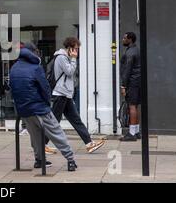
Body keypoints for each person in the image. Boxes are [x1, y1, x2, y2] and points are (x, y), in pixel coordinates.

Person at [10, 42, 77, 171]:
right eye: (36, 51)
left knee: (35, 136)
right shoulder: (36, 67)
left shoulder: (14, 67)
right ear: (32, 52)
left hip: (23, 109)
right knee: (56, 133)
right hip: (39, 107)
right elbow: (45, 88)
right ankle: (70, 160)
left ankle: (39, 160)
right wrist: (47, 103)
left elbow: (13, 89)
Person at [50, 37, 106, 153]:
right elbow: (69, 71)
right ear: (69, 48)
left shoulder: (66, 58)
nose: (77, 51)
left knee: (76, 120)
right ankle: (41, 144)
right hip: (60, 94)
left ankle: (89, 144)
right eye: (75, 49)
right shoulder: (61, 57)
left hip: (65, 94)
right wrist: (74, 59)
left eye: (77, 49)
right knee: (54, 122)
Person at [120, 32, 141, 141]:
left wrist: (123, 85)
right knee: (135, 106)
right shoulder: (136, 50)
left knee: (132, 106)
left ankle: (132, 134)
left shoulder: (130, 53)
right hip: (138, 82)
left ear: (130, 39)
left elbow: (127, 70)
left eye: (124, 38)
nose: (123, 39)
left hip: (132, 83)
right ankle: (136, 131)